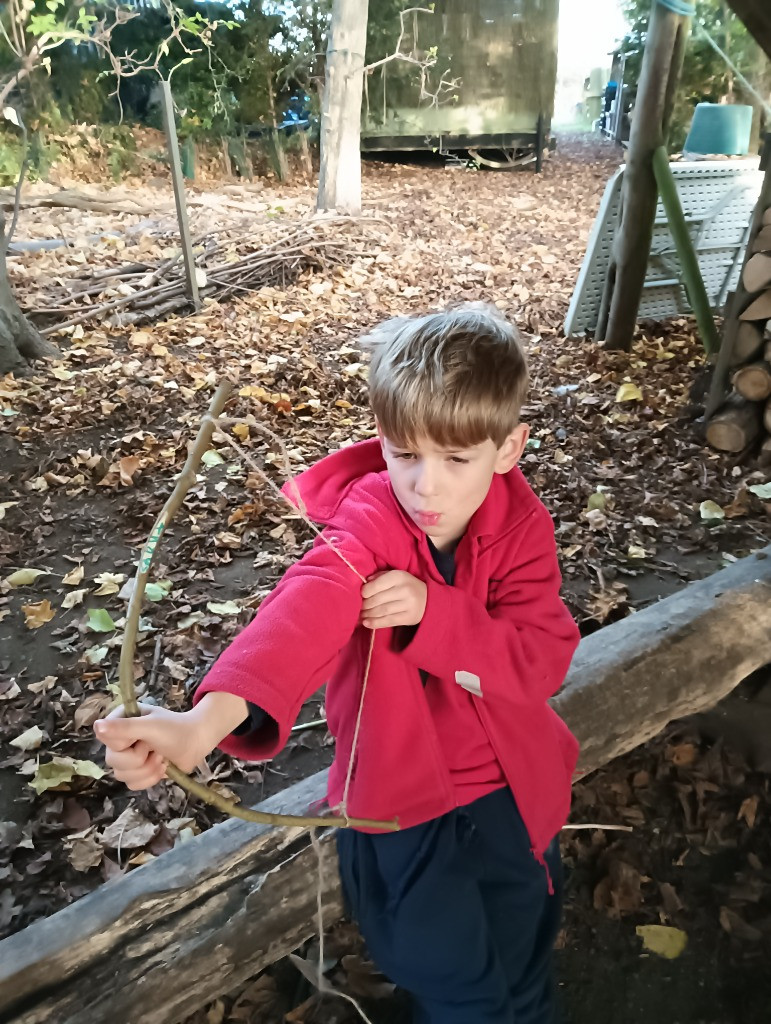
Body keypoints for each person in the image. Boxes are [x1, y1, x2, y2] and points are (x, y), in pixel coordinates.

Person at [94, 305, 580, 1024]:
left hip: (510, 797)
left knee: (523, 957)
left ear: (508, 449)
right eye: (404, 453)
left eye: (457, 459)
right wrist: (205, 722)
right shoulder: (373, 517)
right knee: (458, 991)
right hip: (404, 811)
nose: (427, 487)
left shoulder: (519, 525)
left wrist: (432, 613)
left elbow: (539, 662)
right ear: (380, 441)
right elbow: (312, 600)